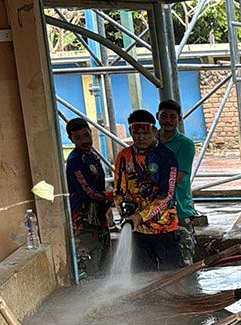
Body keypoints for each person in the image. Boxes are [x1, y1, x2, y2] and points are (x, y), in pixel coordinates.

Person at [112, 109, 181, 272]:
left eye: (145, 133)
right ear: (130, 132)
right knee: (142, 277)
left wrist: (140, 216)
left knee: (172, 276)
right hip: (137, 231)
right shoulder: (124, 156)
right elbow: (118, 190)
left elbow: (167, 195)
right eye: (136, 133)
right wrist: (125, 213)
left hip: (164, 228)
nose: (141, 137)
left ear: (154, 131)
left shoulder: (166, 156)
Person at [64, 118, 111, 277]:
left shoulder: (92, 155)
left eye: (86, 135)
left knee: (105, 259)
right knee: (90, 264)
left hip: (98, 217)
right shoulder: (75, 161)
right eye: (78, 138)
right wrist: (110, 196)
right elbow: (87, 193)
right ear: (71, 139)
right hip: (84, 220)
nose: (84, 140)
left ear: (91, 133)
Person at [156, 99, 198, 265]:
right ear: (157, 117)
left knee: (183, 259)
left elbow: (178, 176)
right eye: (164, 116)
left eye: (172, 117)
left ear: (179, 119)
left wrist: (149, 190)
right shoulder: (150, 142)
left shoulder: (185, 144)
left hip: (178, 209)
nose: (168, 120)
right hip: (154, 212)